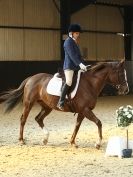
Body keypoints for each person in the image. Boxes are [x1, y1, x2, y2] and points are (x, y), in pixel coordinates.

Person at [57, 23, 87, 110]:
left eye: (78, 33)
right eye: (77, 33)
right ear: (71, 33)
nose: (78, 35)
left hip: (76, 66)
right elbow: (72, 55)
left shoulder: (75, 42)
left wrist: (84, 64)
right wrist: (80, 64)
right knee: (69, 81)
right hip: (69, 66)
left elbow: (79, 56)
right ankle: (61, 102)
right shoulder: (68, 42)